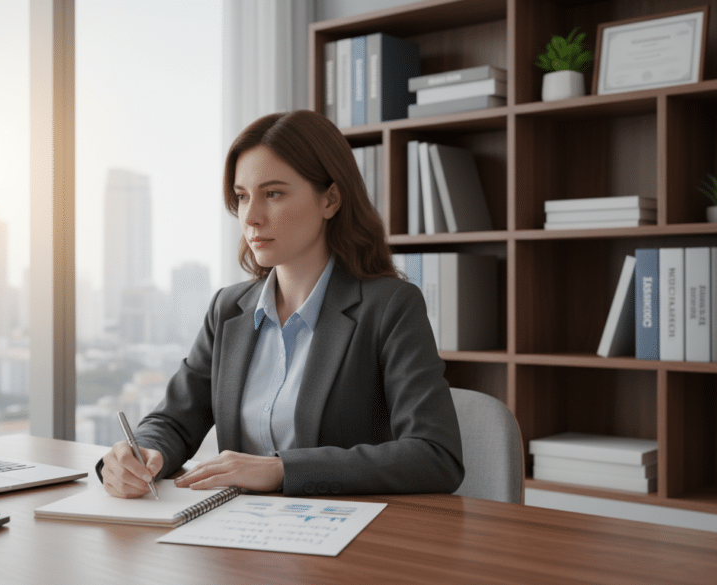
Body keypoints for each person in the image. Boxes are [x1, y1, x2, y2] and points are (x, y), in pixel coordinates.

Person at [99, 109, 463, 498]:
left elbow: (435, 455)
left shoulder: (390, 307)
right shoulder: (228, 309)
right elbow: (173, 420)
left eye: (273, 194)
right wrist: (143, 453)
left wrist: (281, 470)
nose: (251, 217)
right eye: (242, 197)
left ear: (331, 199)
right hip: (240, 538)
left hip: (344, 540)